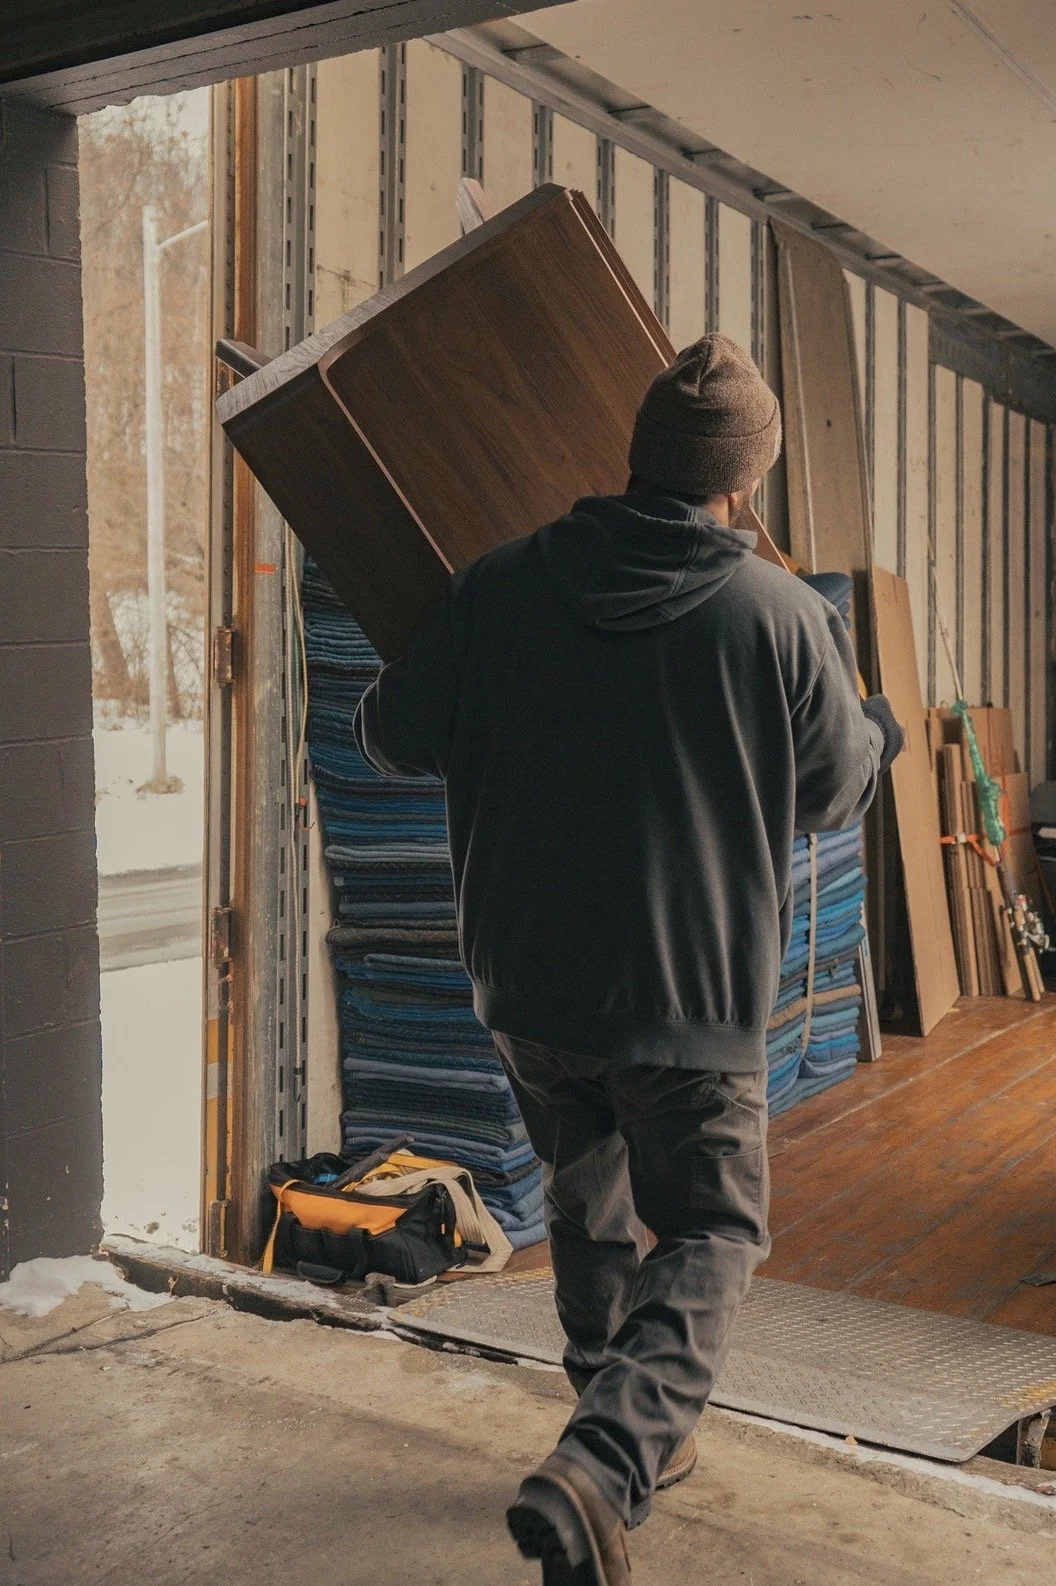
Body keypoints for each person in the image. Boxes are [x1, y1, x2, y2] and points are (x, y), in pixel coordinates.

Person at [355, 333, 903, 1586]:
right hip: (688, 998)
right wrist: (872, 728)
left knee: (586, 1190)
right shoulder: (783, 616)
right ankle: (605, 1464)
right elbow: (834, 792)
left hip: (528, 989)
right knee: (712, 1227)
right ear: (744, 483)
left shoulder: (497, 585)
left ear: (640, 457)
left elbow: (389, 734)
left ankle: (614, 1409)